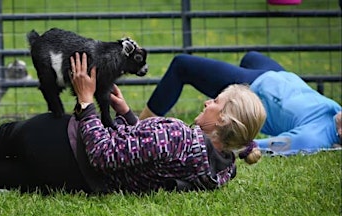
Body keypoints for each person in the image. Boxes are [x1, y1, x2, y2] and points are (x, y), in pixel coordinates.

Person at [0, 52, 266, 198]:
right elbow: (152, 155)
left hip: (74, 153)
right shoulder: (221, 167)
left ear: (224, 120)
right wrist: (127, 115)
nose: (208, 100)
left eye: (217, 101)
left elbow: (105, 153)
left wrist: (87, 101)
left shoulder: (179, 133)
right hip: (79, 182)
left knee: (2, 137)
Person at [139, 51, 342, 156]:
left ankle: (138, 130)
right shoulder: (336, 112)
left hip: (256, 87)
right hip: (278, 74)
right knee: (250, 57)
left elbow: (255, 147)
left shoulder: (314, 137)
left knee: (182, 65)